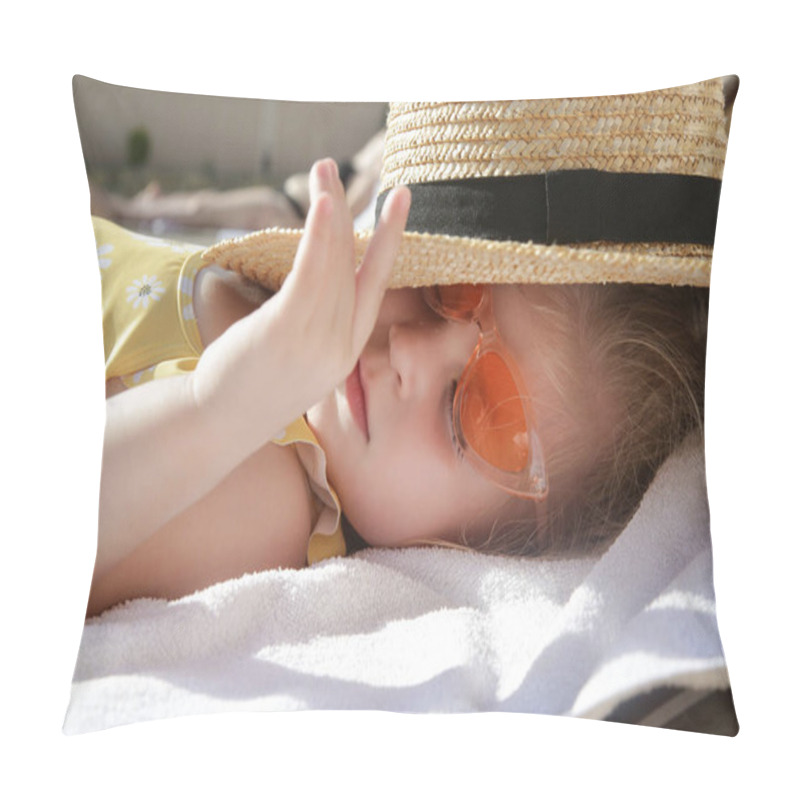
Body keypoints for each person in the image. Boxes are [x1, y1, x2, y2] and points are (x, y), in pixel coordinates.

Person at [86, 80, 731, 617]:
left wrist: (219, 406)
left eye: (472, 417)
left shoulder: (268, 495)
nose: (408, 353)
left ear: (479, 546)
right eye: (441, 291)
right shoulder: (262, 291)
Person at [90, 128, 386, 233]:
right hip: (291, 204)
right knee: (202, 204)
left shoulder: (387, 156)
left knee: (199, 207)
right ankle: (138, 209)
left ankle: (126, 209)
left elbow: (348, 209)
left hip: (290, 213)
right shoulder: (392, 137)